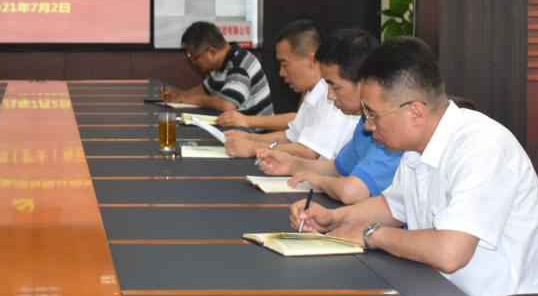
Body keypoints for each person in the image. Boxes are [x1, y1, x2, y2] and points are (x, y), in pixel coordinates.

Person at [290, 38, 538, 296]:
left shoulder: (482, 147)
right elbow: (393, 206)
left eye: (373, 114)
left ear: (415, 111)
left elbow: (449, 252)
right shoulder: (417, 145)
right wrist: (334, 218)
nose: (367, 125)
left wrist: (370, 234)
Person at [255, 29, 400, 204]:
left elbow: (351, 192)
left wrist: (318, 181)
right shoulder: (365, 120)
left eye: (335, 86)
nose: (330, 96)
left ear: (364, 82)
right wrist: (293, 164)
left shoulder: (389, 127)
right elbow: (338, 168)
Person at [224, 20, 358, 160]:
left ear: (312, 60)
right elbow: (290, 137)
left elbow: (308, 152)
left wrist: (255, 148)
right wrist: (251, 138)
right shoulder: (313, 93)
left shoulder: (332, 95)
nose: (281, 73)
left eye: (285, 64)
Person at [160, 21, 273, 116]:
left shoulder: (239, 64)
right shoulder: (219, 63)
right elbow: (204, 90)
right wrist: (178, 95)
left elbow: (226, 105)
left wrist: (187, 98)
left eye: (195, 58)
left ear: (211, 51)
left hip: (255, 132)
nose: (194, 63)